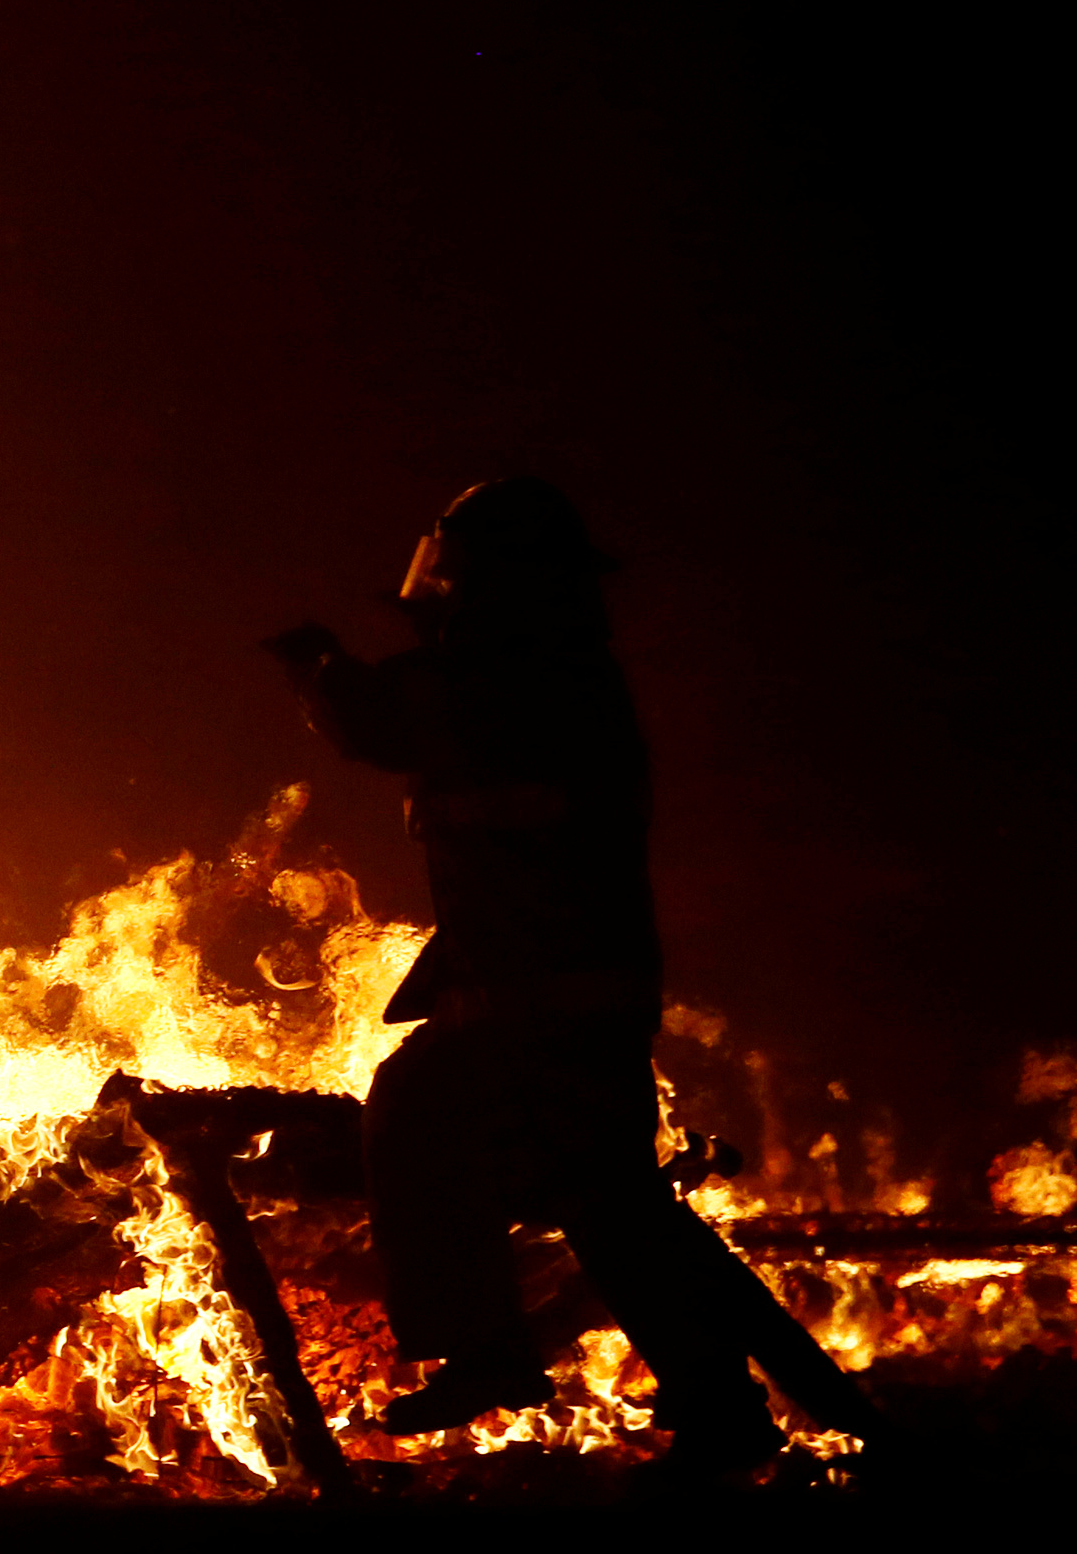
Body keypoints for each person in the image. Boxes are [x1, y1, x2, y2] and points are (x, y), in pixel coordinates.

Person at [270, 479, 872, 1475]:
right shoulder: (547, 673)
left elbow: (378, 722)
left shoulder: (510, 678)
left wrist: (314, 661)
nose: (438, 593)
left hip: (544, 1000)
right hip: (549, 993)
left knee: (434, 1122)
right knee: (606, 1204)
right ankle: (708, 1406)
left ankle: (500, 1356)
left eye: (454, 573)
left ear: (498, 581)